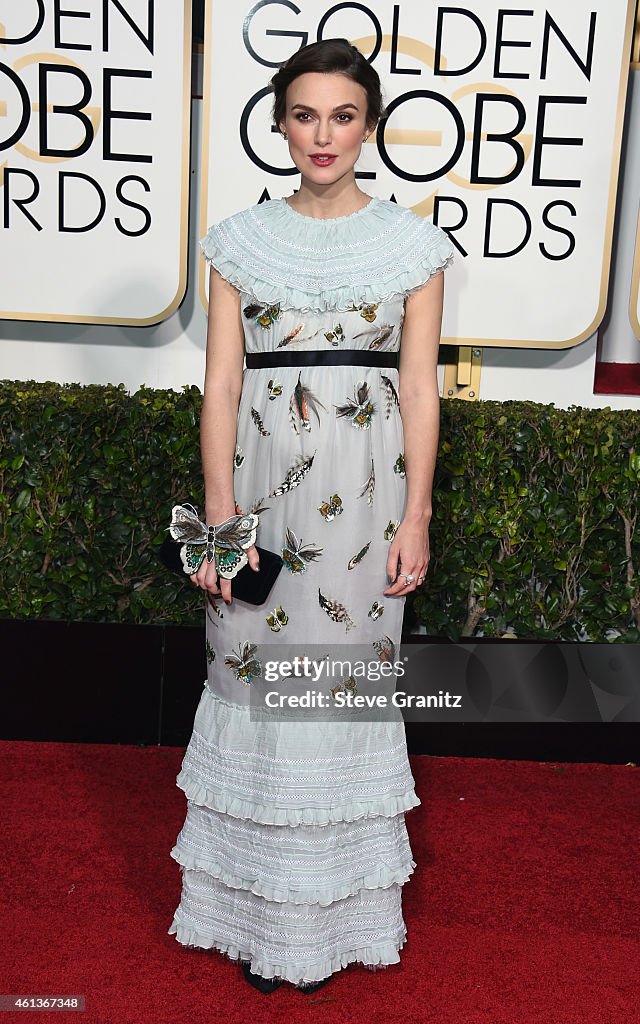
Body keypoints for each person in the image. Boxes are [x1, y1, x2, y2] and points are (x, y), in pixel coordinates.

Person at [168, 38, 454, 994]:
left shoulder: (413, 244)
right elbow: (218, 385)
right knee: (252, 680)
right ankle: (255, 914)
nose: (321, 135)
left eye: (342, 116)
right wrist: (220, 513)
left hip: (367, 509)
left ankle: (330, 917)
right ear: (281, 124)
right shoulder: (237, 242)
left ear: (369, 125)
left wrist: (417, 516)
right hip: (258, 497)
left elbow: (420, 391)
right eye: (304, 115)